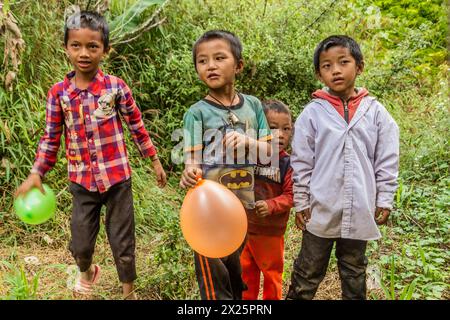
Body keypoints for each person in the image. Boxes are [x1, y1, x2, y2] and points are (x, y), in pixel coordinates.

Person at [14, 10, 167, 300]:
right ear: (66, 48)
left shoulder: (115, 87)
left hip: (117, 178)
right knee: (81, 243)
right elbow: (51, 137)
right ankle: (86, 270)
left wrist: (154, 159)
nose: (84, 53)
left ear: (105, 50)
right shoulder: (58, 93)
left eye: (92, 46)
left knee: (123, 240)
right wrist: (37, 172)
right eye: (76, 45)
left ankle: (128, 292)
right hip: (82, 181)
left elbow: (136, 124)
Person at [287, 35, 399, 300]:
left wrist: (385, 198)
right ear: (318, 74)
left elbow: (386, 159)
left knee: (354, 270)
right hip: (320, 210)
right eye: (326, 66)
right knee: (308, 270)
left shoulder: (376, 113)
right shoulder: (312, 114)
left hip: (360, 207)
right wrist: (301, 201)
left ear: (358, 66)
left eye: (343, 62)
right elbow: (301, 162)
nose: (335, 70)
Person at [180, 30, 272, 300]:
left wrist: (248, 142)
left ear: (238, 65)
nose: (210, 66)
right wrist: (190, 172)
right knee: (213, 279)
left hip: (242, 205)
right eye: (202, 61)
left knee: (234, 273)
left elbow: (269, 151)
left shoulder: (253, 106)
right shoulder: (196, 113)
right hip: (207, 212)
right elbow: (192, 161)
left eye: (219, 58)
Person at [240, 100, 294, 300]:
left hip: (271, 234)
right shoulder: (247, 157)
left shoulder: (287, 164)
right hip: (244, 231)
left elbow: (291, 196)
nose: (280, 134)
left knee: (272, 276)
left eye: (286, 128)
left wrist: (271, 205)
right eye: (272, 128)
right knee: (246, 277)